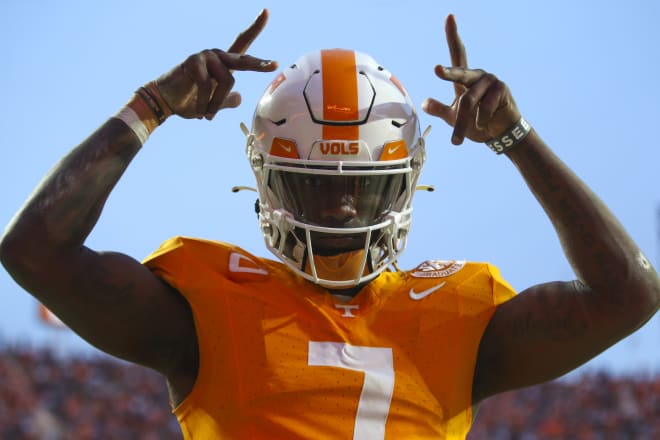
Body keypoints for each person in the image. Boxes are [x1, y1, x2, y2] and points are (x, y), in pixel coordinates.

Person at [1, 8, 658, 439]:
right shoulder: (206, 305)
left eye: (360, 191)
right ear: (267, 182)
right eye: (315, 186)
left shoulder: (460, 313)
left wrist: (517, 135)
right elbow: (32, 250)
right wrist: (148, 106)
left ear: (402, 185)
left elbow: (630, 294)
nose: (341, 210)